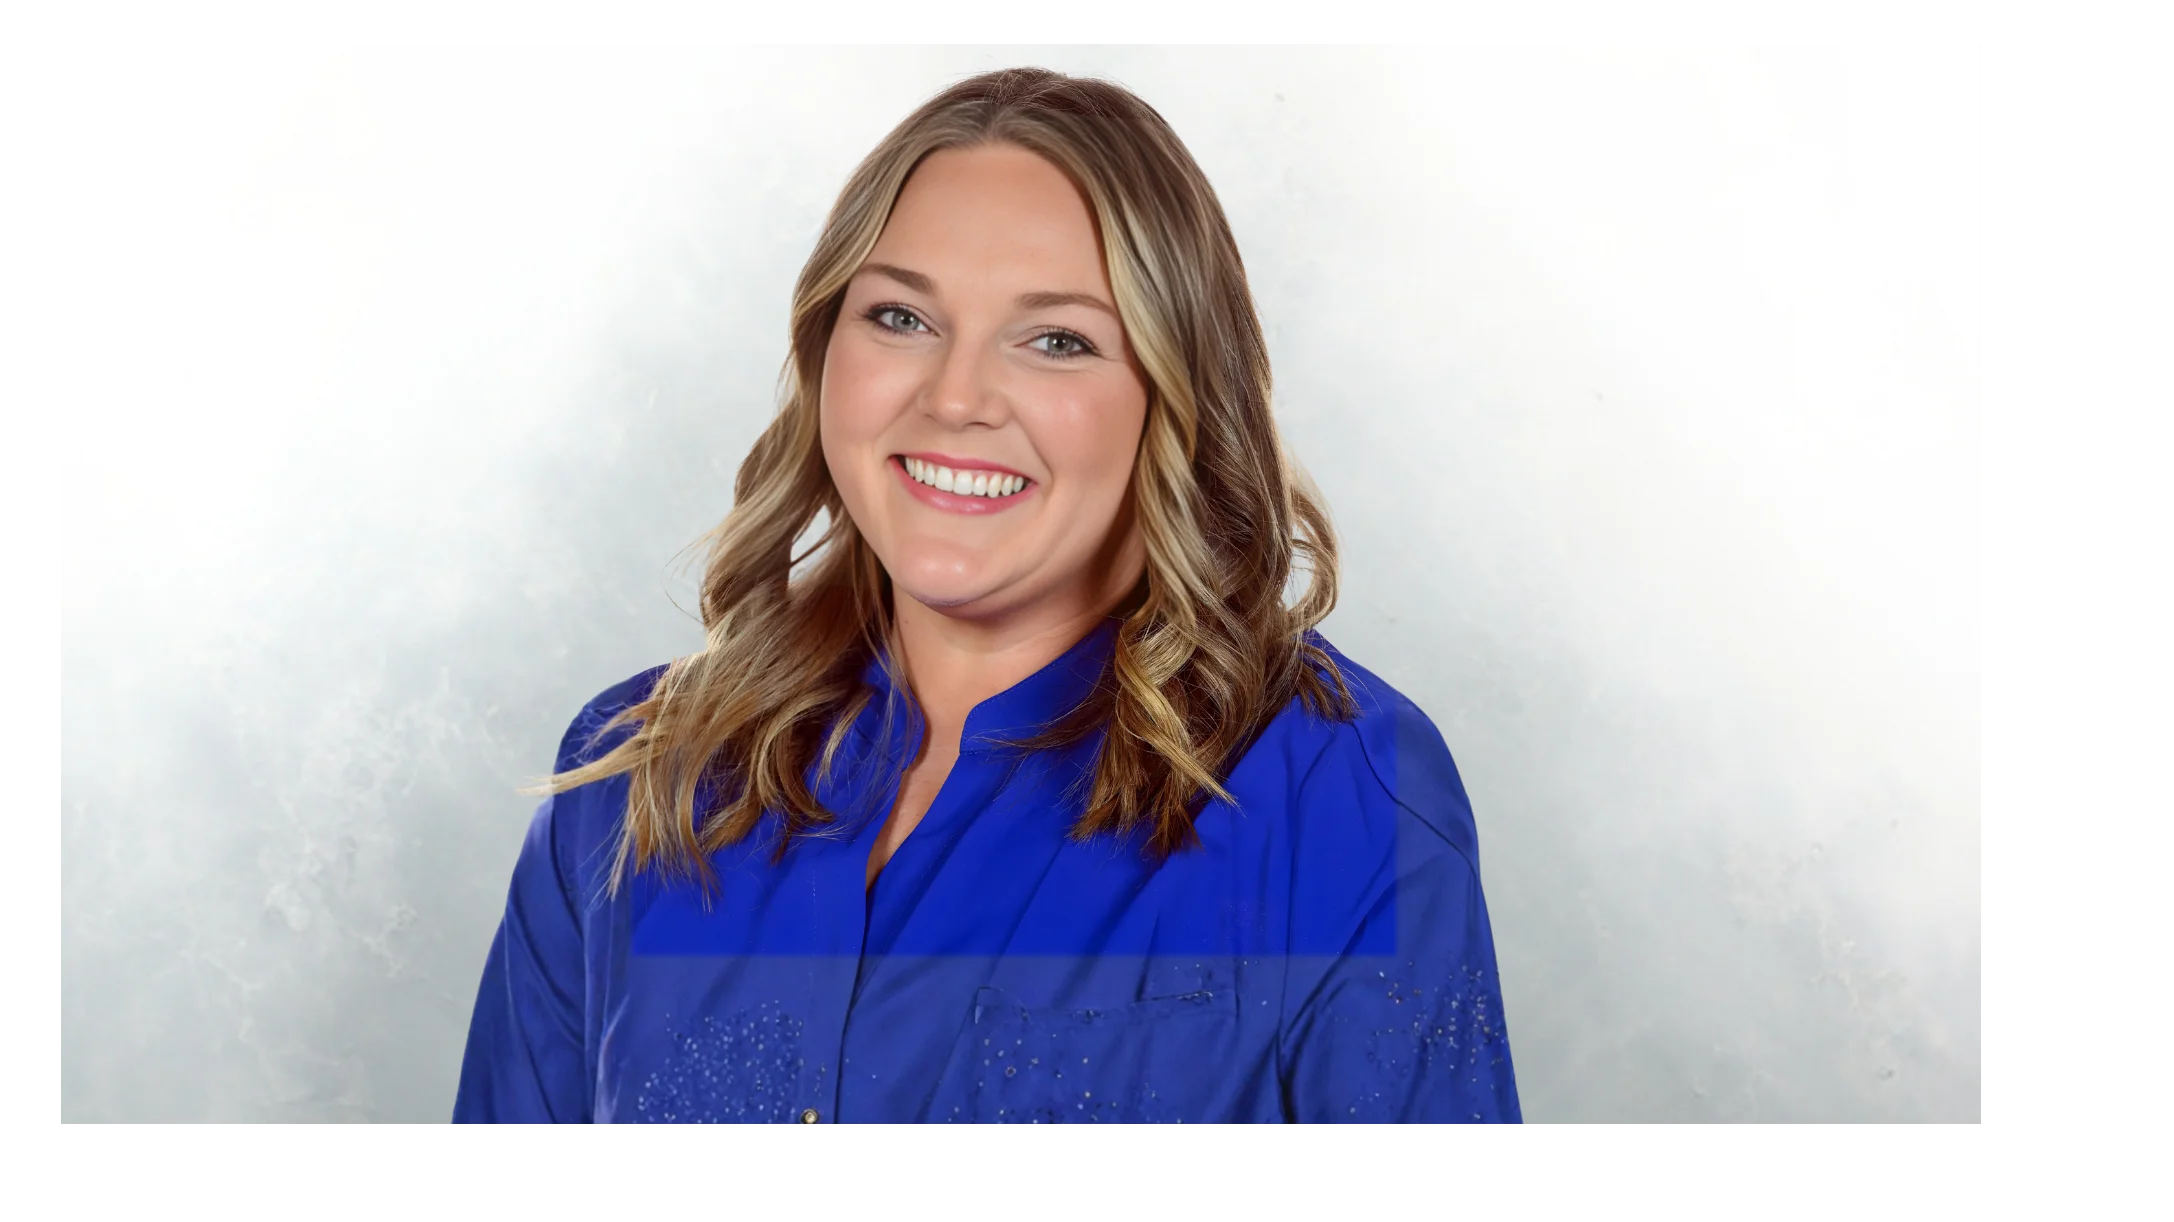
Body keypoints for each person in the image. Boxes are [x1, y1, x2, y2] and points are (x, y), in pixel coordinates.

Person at [453, 67, 1521, 1126]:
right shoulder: (639, 783)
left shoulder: (1339, 798)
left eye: (1055, 340)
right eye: (900, 317)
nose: (954, 397)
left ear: (1177, 394)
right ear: (825, 352)